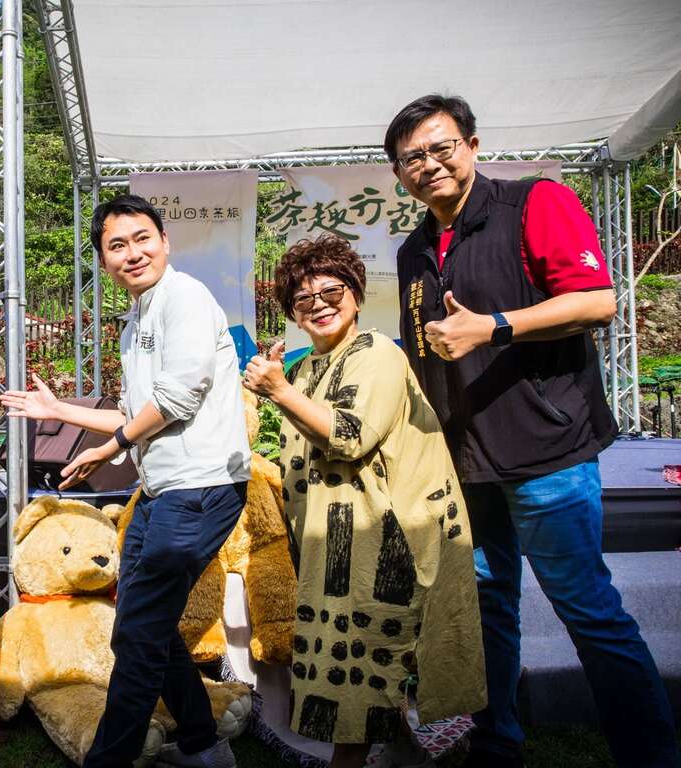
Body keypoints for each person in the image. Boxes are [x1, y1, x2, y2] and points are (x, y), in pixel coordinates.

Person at [386, 94, 678, 768]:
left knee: (587, 608)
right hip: (467, 464)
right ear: (399, 174)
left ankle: (650, 753)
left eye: (440, 147)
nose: (428, 165)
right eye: (411, 158)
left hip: (549, 455)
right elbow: (428, 355)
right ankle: (497, 744)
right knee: (489, 609)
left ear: (472, 145)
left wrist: (494, 326)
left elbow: (597, 301)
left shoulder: (534, 202)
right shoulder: (413, 251)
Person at [0, 194, 251, 768]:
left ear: (165, 241)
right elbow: (134, 415)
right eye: (117, 245)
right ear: (104, 260)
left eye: (142, 239)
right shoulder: (135, 321)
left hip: (200, 488)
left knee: (138, 636)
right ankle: (204, 745)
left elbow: (177, 398)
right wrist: (59, 410)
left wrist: (112, 446)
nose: (132, 253)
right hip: (162, 492)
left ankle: (109, 759)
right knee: (139, 630)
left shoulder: (185, 297)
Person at [242, 235, 484, 768]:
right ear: (292, 313)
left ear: (355, 295)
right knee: (363, 664)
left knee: (355, 668)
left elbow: (350, 436)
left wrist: (279, 391)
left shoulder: (376, 353)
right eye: (303, 299)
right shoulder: (306, 368)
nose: (319, 305)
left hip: (382, 538)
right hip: (332, 545)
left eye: (332, 292)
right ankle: (405, 751)